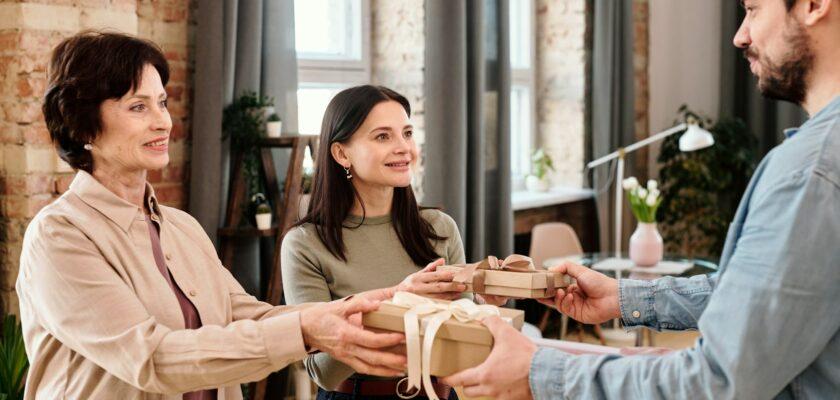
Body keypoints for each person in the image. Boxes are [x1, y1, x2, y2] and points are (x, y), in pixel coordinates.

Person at [441, 0, 840, 398]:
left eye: (753, 9)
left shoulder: (810, 172)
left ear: (813, 5)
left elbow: (716, 382)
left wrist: (538, 373)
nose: (740, 35)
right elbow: (750, 298)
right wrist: (623, 297)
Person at [16, 31, 407, 400]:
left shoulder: (181, 228)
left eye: (162, 102)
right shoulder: (58, 236)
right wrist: (307, 330)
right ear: (84, 125)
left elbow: (248, 316)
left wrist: (370, 308)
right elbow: (152, 358)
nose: (163, 121)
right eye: (139, 106)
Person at [281, 85, 508, 400]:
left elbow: (460, 339)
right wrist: (400, 302)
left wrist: (484, 305)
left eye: (408, 133)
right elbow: (323, 371)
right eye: (382, 136)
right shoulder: (304, 244)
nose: (404, 148)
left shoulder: (439, 228)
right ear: (341, 153)